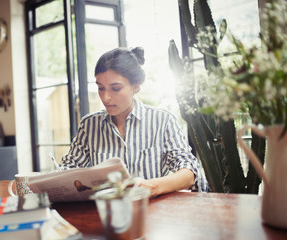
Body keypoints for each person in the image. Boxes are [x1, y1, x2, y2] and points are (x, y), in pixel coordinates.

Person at [61, 47, 208, 196]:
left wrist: (152, 187)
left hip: (153, 211)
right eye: (100, 88)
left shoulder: (163, 121)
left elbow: (189, 172)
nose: (106, 98)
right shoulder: (89, 125)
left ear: (136, 86)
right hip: (109, 212)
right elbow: (67, 169)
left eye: (116, 89)